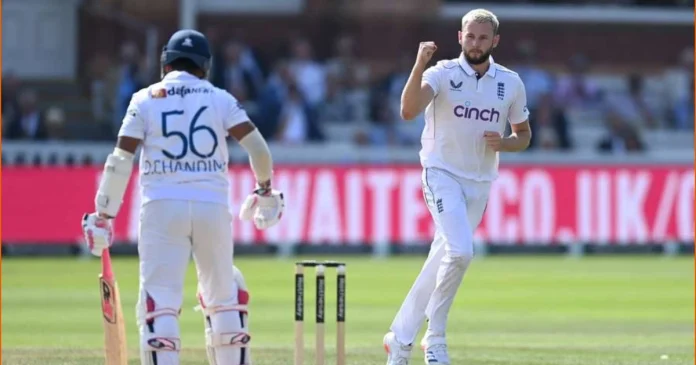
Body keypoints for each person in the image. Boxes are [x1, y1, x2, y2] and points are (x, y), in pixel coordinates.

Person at [81, 29, 285, 365]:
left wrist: (103, 213)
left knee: (159, 301)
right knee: (224, 298)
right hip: (212, 207)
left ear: (164, 63)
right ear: (205, 66)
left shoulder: (144, 99)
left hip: (161, 208)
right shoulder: (220, 98)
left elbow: (120, 160)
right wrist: (264, 189)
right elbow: (258, 148)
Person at [383, 9, 531, 365]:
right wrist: (419, 63)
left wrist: (505, 143)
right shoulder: (442, 73)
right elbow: (407, 110)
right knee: (462, 252)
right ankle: (434, 340)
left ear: (494, 41)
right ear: (459, 36)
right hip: (440, 173)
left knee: (442, 259)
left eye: (483, 38)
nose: (475, 43)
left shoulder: (509, 82)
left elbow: (523, 135)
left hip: (480, 182)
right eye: (470, 36)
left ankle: (399, 339)